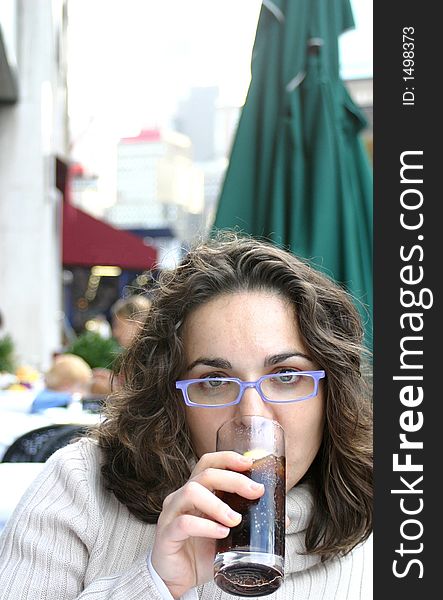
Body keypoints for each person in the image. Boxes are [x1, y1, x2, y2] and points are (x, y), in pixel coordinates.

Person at [0, 231, 373, 599]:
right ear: (171, 398)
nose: (251, 414)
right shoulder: (80, 487)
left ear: (331, 392)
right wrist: (155, 583)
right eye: (213, 381)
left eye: (287, 376)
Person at [91, 295, 152, 394]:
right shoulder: (137, 356)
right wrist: (113, 380)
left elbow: (143, 397)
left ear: (138, 322)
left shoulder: (151, 358)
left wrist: (112, 388)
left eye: (118, 326)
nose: (115, 333)